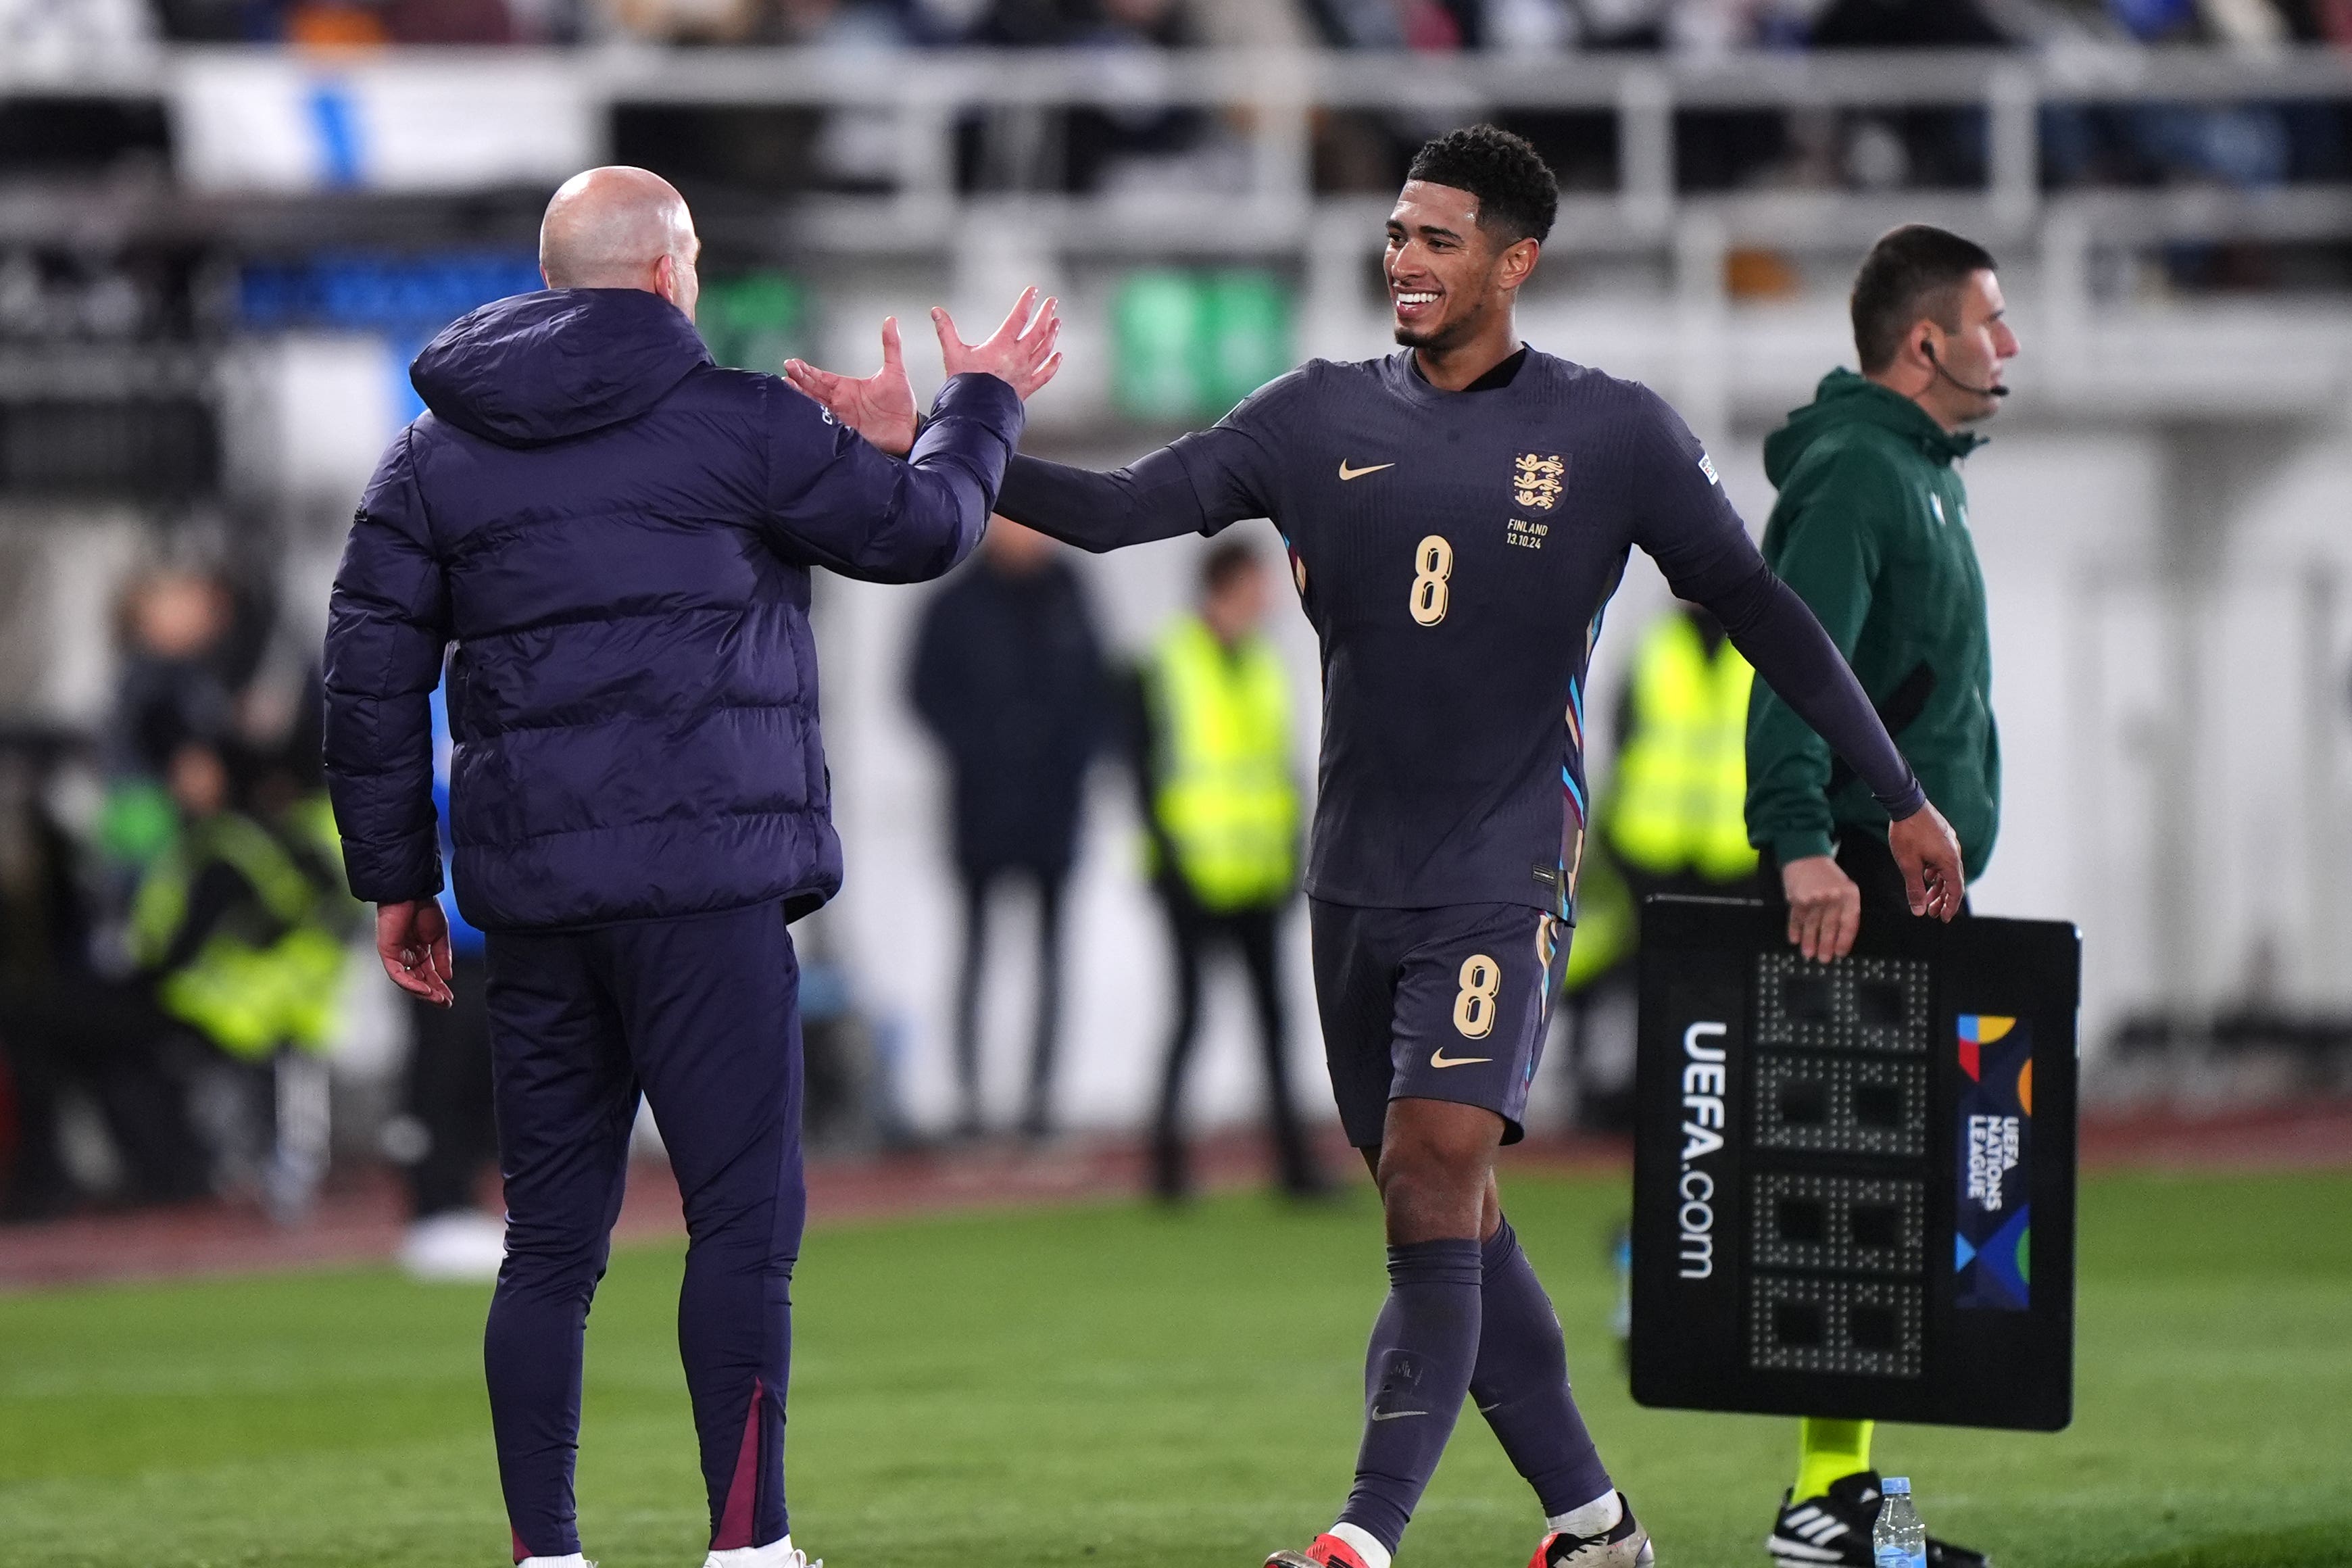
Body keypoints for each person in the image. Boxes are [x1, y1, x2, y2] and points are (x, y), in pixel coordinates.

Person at [787, 124, 1965, 1568]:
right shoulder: (1311, 413)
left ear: (1515, 261)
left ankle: (1363, 1533)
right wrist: (933, 431)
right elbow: (1110, 513)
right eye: (1398, 233)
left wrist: (1893, 791)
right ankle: (1596, 1526)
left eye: (1437, 238)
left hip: (1507, 866)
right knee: (1447, 1203)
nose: (1403, 259)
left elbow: (1769, 613)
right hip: (1351, 885)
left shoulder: (1617, 431)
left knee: (1432, 1165)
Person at [323, 165, 1056, 1568]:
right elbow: (924, 533)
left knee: (548, 1246)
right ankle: (748, 1545)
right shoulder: (737, 423)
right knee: (740, 1225)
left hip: (533, 904)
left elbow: (367, 673)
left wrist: (396, 878)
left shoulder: (433, 451)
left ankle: (548, 1554)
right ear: (671, 273)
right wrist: (974, 413)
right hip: (708, 889)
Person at [1746, 223, 2014, 1568]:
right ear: (1928, 341)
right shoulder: (1862, 473)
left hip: (1895, 880)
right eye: (1992, 320)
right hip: (1851, 882)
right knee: (1858, 1206)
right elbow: (1797, 662)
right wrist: (1802, 842)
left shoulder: (1921, 473)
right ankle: (1830, 1508)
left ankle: (1850, 1494)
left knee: (1891, 1207)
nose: (2008, 344)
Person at [1134, 539, 1322, 1202]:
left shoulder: (1266, 663)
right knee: (1189, 1019)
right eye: (1256, 584)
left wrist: (1295, 856)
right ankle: (1165, 1170)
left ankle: (1296, 1168)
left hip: (1259, 873)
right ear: (1225, 586)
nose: (1267, 597)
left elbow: (1285, 770)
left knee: (1275, 1022)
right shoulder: (1168, 662)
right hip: (1194, 875)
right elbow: (1145, 774)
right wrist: (1168, 863)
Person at [908, 515, 1106, 1140]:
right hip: (982, 811)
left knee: (1052, 958)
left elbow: (1100, 693)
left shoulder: (1070, 594)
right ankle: (971, 1105)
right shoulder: (955, 603)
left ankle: (1039, 1104)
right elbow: (921, 691)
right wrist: (983, 750)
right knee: (975, 956)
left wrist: (1073, 760)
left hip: (1052, 811)